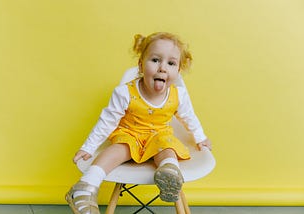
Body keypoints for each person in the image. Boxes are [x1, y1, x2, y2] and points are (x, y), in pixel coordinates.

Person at [66, 32, 212, 214]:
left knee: (168, 147)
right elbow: (107, 121)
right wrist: (88, 148)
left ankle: (169, 174)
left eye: (171, 63)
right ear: (141, 65)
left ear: (178, 71)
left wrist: (200, 137)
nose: (163, 68)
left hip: (159, 137)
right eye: (156, 60)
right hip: (130, 134)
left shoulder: (178, 94)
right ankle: (86, 186)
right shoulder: (125, 92)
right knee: (118, 149)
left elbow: (189, 117)